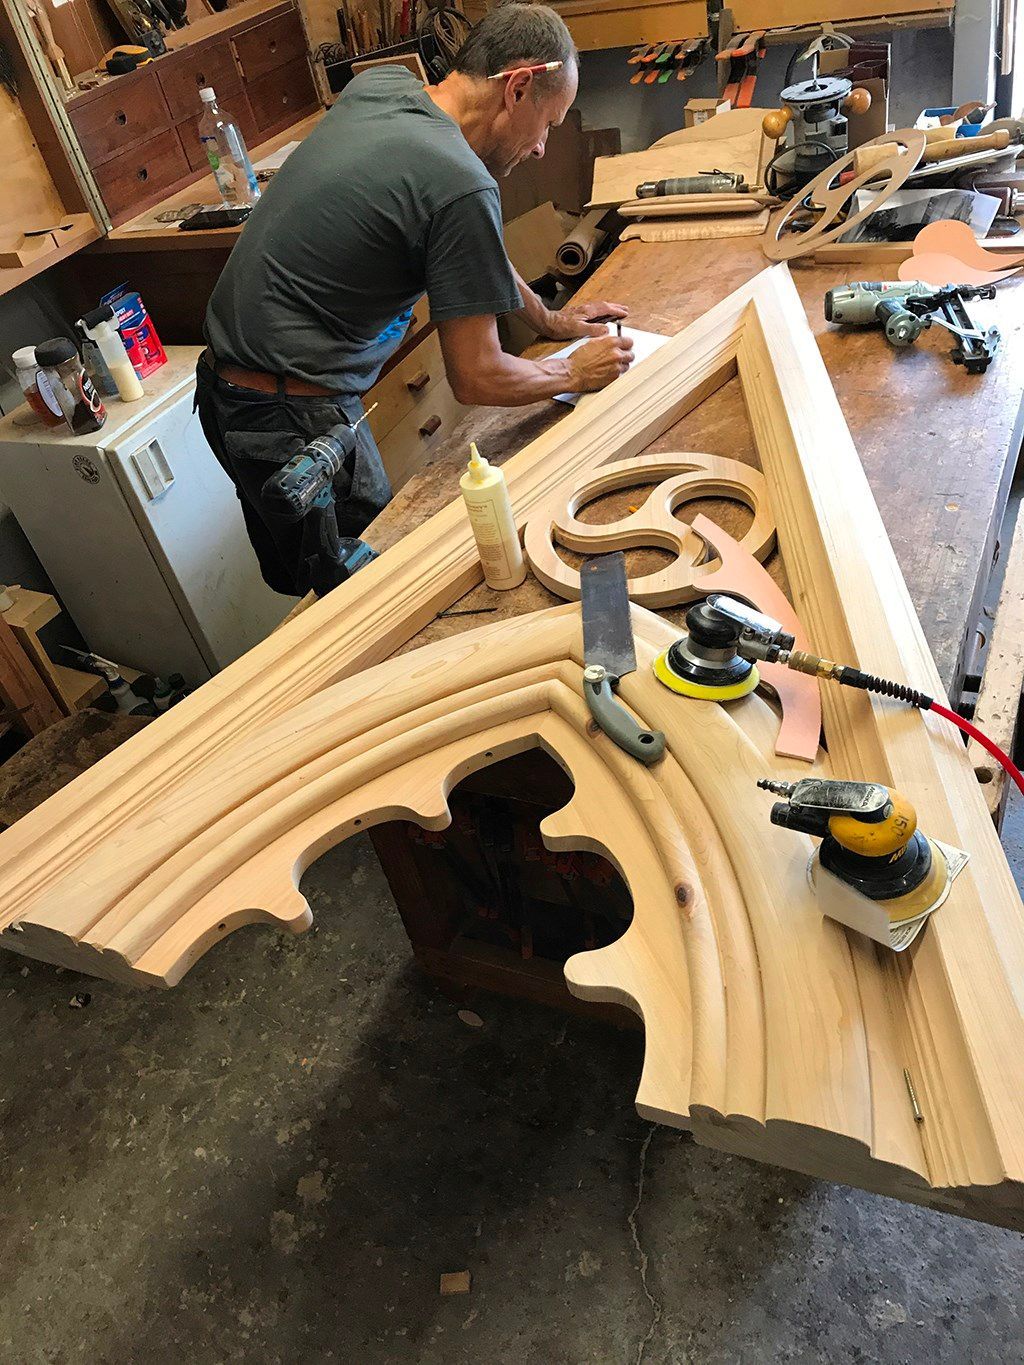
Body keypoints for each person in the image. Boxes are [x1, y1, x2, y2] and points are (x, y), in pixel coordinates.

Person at [195, 2, 633, 597]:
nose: (540, 148)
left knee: (313, 578)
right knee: (369, 596)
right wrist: (571, 373)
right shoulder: (460, 182)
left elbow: (468, 249)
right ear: (520, 86)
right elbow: (477, 379)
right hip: (291, 420)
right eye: (550, 124)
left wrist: (551, 320)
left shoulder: (384, 88)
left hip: (226, 394)